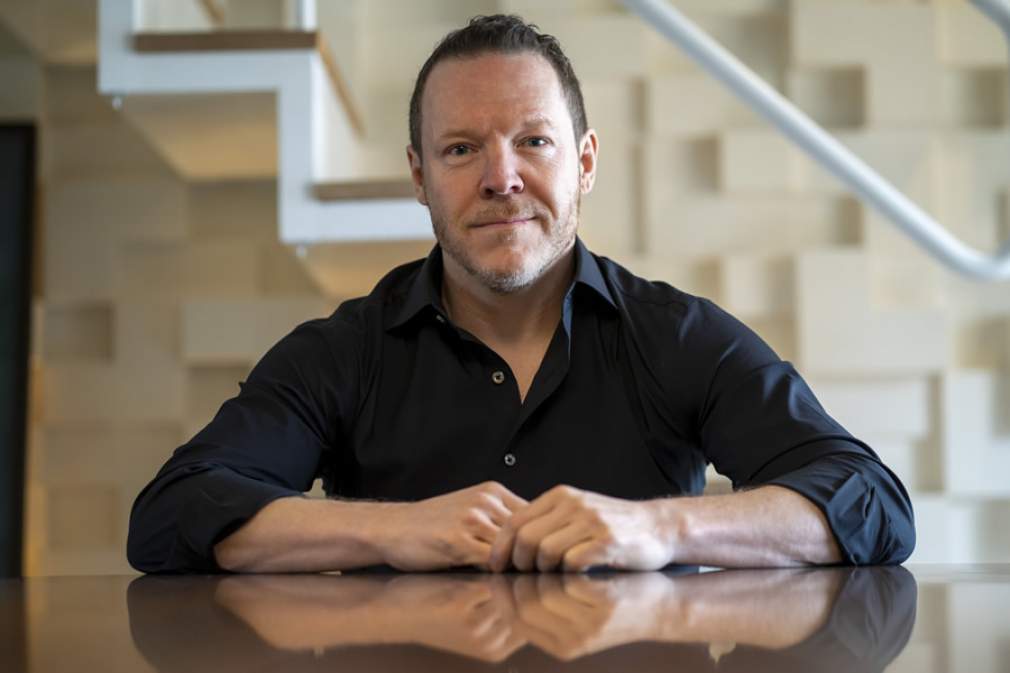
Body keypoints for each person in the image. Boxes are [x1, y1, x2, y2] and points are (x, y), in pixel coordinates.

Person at [126, 14, 915, 574]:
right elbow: (172, 513)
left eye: (533, 140)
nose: (501, 178)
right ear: (419, 177)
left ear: (585, 162)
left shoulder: (675, 335)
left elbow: (870, 500)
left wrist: (661, 528)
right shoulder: (343, 353)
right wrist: (393, 531)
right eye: (460, 149)